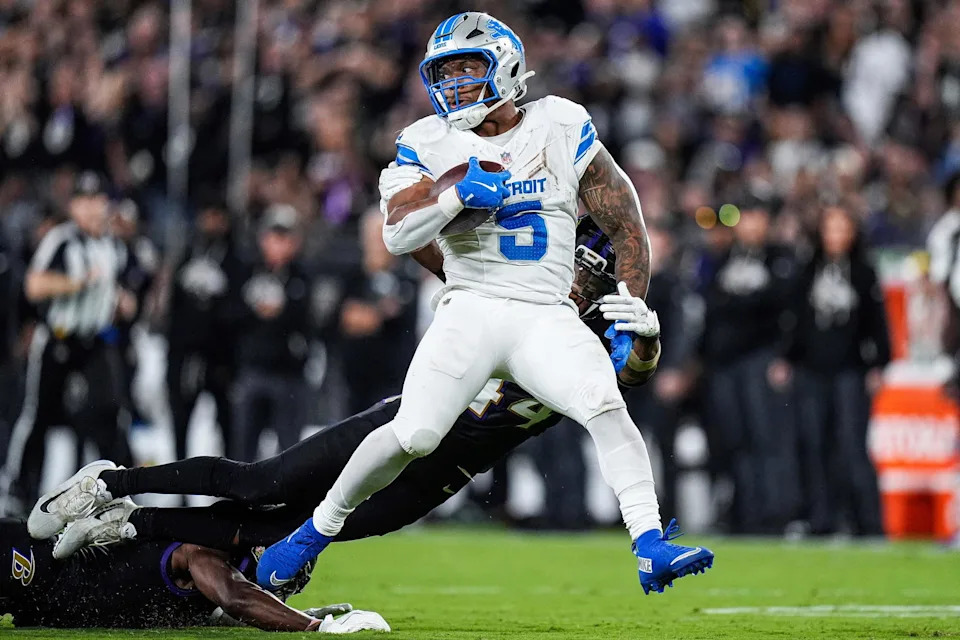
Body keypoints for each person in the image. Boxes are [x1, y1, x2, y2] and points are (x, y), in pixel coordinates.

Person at [254, 13, 711, 596]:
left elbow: (628, 225)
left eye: (470, 68)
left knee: (603, 401)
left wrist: (630, 304)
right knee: (415, 433)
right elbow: (397, 234)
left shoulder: (560, 124)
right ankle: (310, 535)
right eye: (444, 73)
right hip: (471, 305)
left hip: (547, 312)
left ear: (510, 66)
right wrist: (452, 195)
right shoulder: (428, 139)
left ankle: (649, 544)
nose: (455, 85)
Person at [30, 221, 699, 595]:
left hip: (443, 473)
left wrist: (648, 341)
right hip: (399, 427)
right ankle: (109, 482)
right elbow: (427, 247)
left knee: (272, 531)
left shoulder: (587, 341)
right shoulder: (509, 297)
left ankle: (132, 524)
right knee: (262, 482)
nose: (572, 278)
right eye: (568, 264)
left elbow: (631, 379)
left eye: (585, 272)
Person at [0, 172, 133, 515]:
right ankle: (17, 486)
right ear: (74, 205)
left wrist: (120, 303)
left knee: (109, 412)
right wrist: (74, 284)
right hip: (58, 340)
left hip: (94, 342)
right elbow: (34, 285)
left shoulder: (112, 244)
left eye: (96, 200)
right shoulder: (61, 240)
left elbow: (114, 289)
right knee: (37, 414)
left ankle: (120, 489)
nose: (90, 209)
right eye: (83, 201)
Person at [0, 515, 388, 632]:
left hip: (46, 604)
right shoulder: (202, 554)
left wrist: (309, 614)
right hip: (43, 569)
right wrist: (315, 629)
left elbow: (233, 613)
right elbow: (237, 600)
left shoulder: (219, 574)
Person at [780, 203, 890, 535]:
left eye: (843, 228)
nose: (836, 235)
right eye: (831, 228)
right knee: (814, 444)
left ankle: (868, 521)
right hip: (813, 369)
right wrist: (787, 358)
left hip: (851, 369)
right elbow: (795, 320)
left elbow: (877, 322)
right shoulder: (808, 269)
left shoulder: (864, 271)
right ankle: (821, 519)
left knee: (852, 444)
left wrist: (879, 364)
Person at [698, 195, 798, 534]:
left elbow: (782, 305)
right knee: (735, 439)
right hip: (725, 364)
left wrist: (782, 354)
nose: (751, 225)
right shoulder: (723, 258)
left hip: (761, 358)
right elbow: (711, 304)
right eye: (746, 217)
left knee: (767, 438)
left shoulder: (780, 258)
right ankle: (746, 514)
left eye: (758, 217)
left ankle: (777, 514)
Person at [228, 204, 313, 461]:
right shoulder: (246, 271)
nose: (278, 244)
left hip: (288, 375)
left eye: (285, 237)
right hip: (253, 369)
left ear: (295, 242)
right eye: (274, 236)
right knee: (243, 449)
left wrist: (277, 312)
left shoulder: (302, 277)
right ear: (263, 238)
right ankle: (241, 500)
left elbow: (308, 321)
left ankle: (286, 501)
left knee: (289, 451)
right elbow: (230, 314)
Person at [164, 196, 240, 462]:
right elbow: (172, 307)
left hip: (219, 356)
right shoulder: (186, 255)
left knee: (228, 423)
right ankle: (178, 485)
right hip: (184, 352)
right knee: (181, 421)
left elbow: (237, 310)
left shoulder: (235, 260)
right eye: (207, 215)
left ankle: (231, 481)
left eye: (218, 217)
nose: (211, 223)